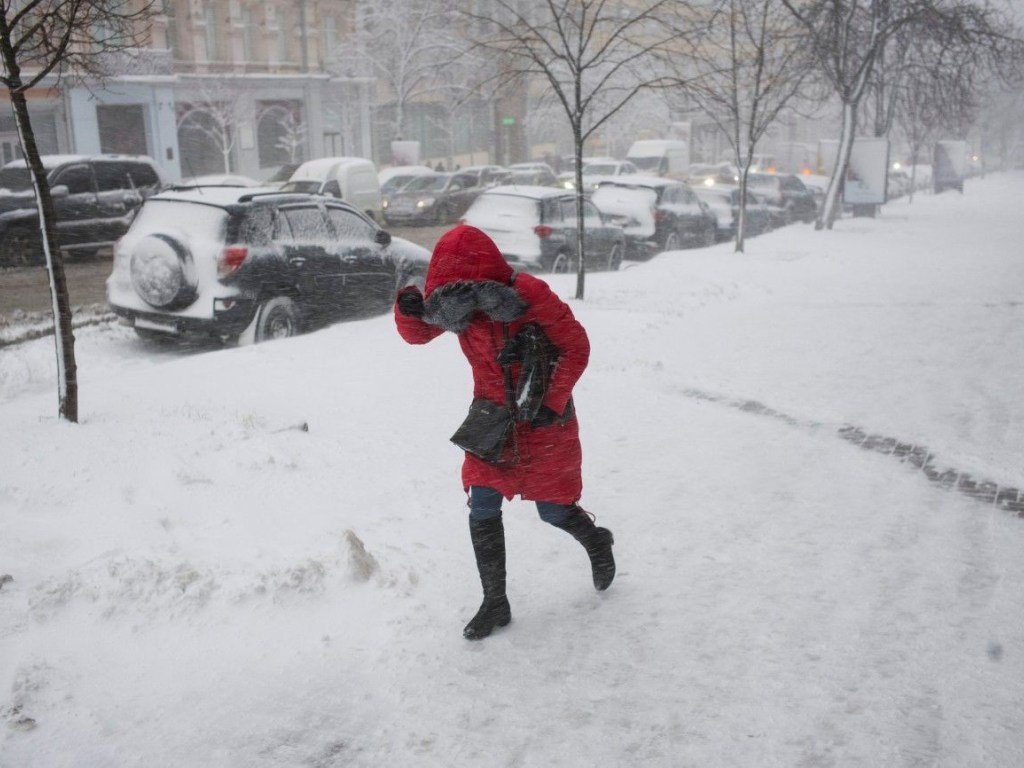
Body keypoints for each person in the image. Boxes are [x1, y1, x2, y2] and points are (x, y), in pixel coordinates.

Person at [394, 224, 615, 640]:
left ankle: (597, 543)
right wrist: (406, 309)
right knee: (481, 505)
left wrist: (552, 401)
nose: (467, 310)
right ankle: (495, 601)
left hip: (543, 417)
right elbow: (419, 333)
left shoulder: (529, 294)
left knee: (552, 510)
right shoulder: (455, 306)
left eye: (473, 294)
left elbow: (576, 346)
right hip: (491, 418)